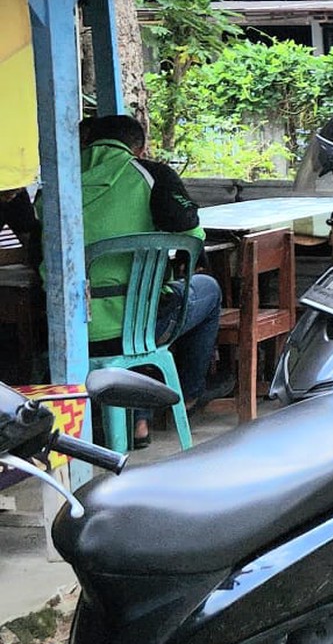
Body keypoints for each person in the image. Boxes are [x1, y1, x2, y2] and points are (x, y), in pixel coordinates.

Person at [78, 115, 224, 446]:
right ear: (139, 149)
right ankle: (187, 397)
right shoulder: (150, 174)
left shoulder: (60, 179)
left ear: (88, 143)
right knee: (205, 291)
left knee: (144, 304)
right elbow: (191, 233)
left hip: (73, 330)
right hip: (138, 327)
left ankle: (138, 419)